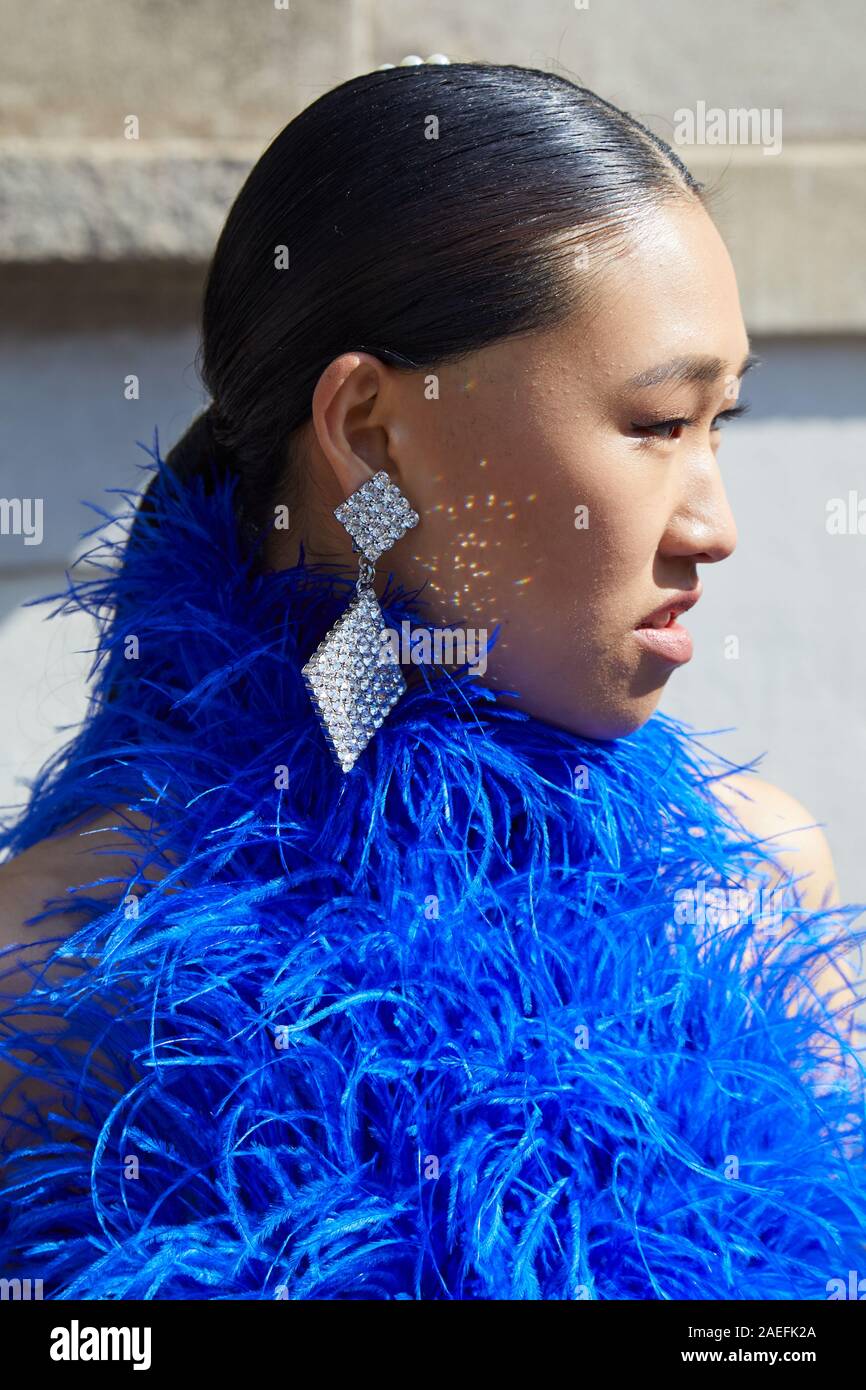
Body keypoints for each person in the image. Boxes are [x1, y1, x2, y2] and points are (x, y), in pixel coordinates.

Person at [0, 60, 862, 1300]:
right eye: (657, 423)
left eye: (720, 419)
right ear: (369, 430)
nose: (714, 522)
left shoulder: (754, 895)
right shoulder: (64, 968)